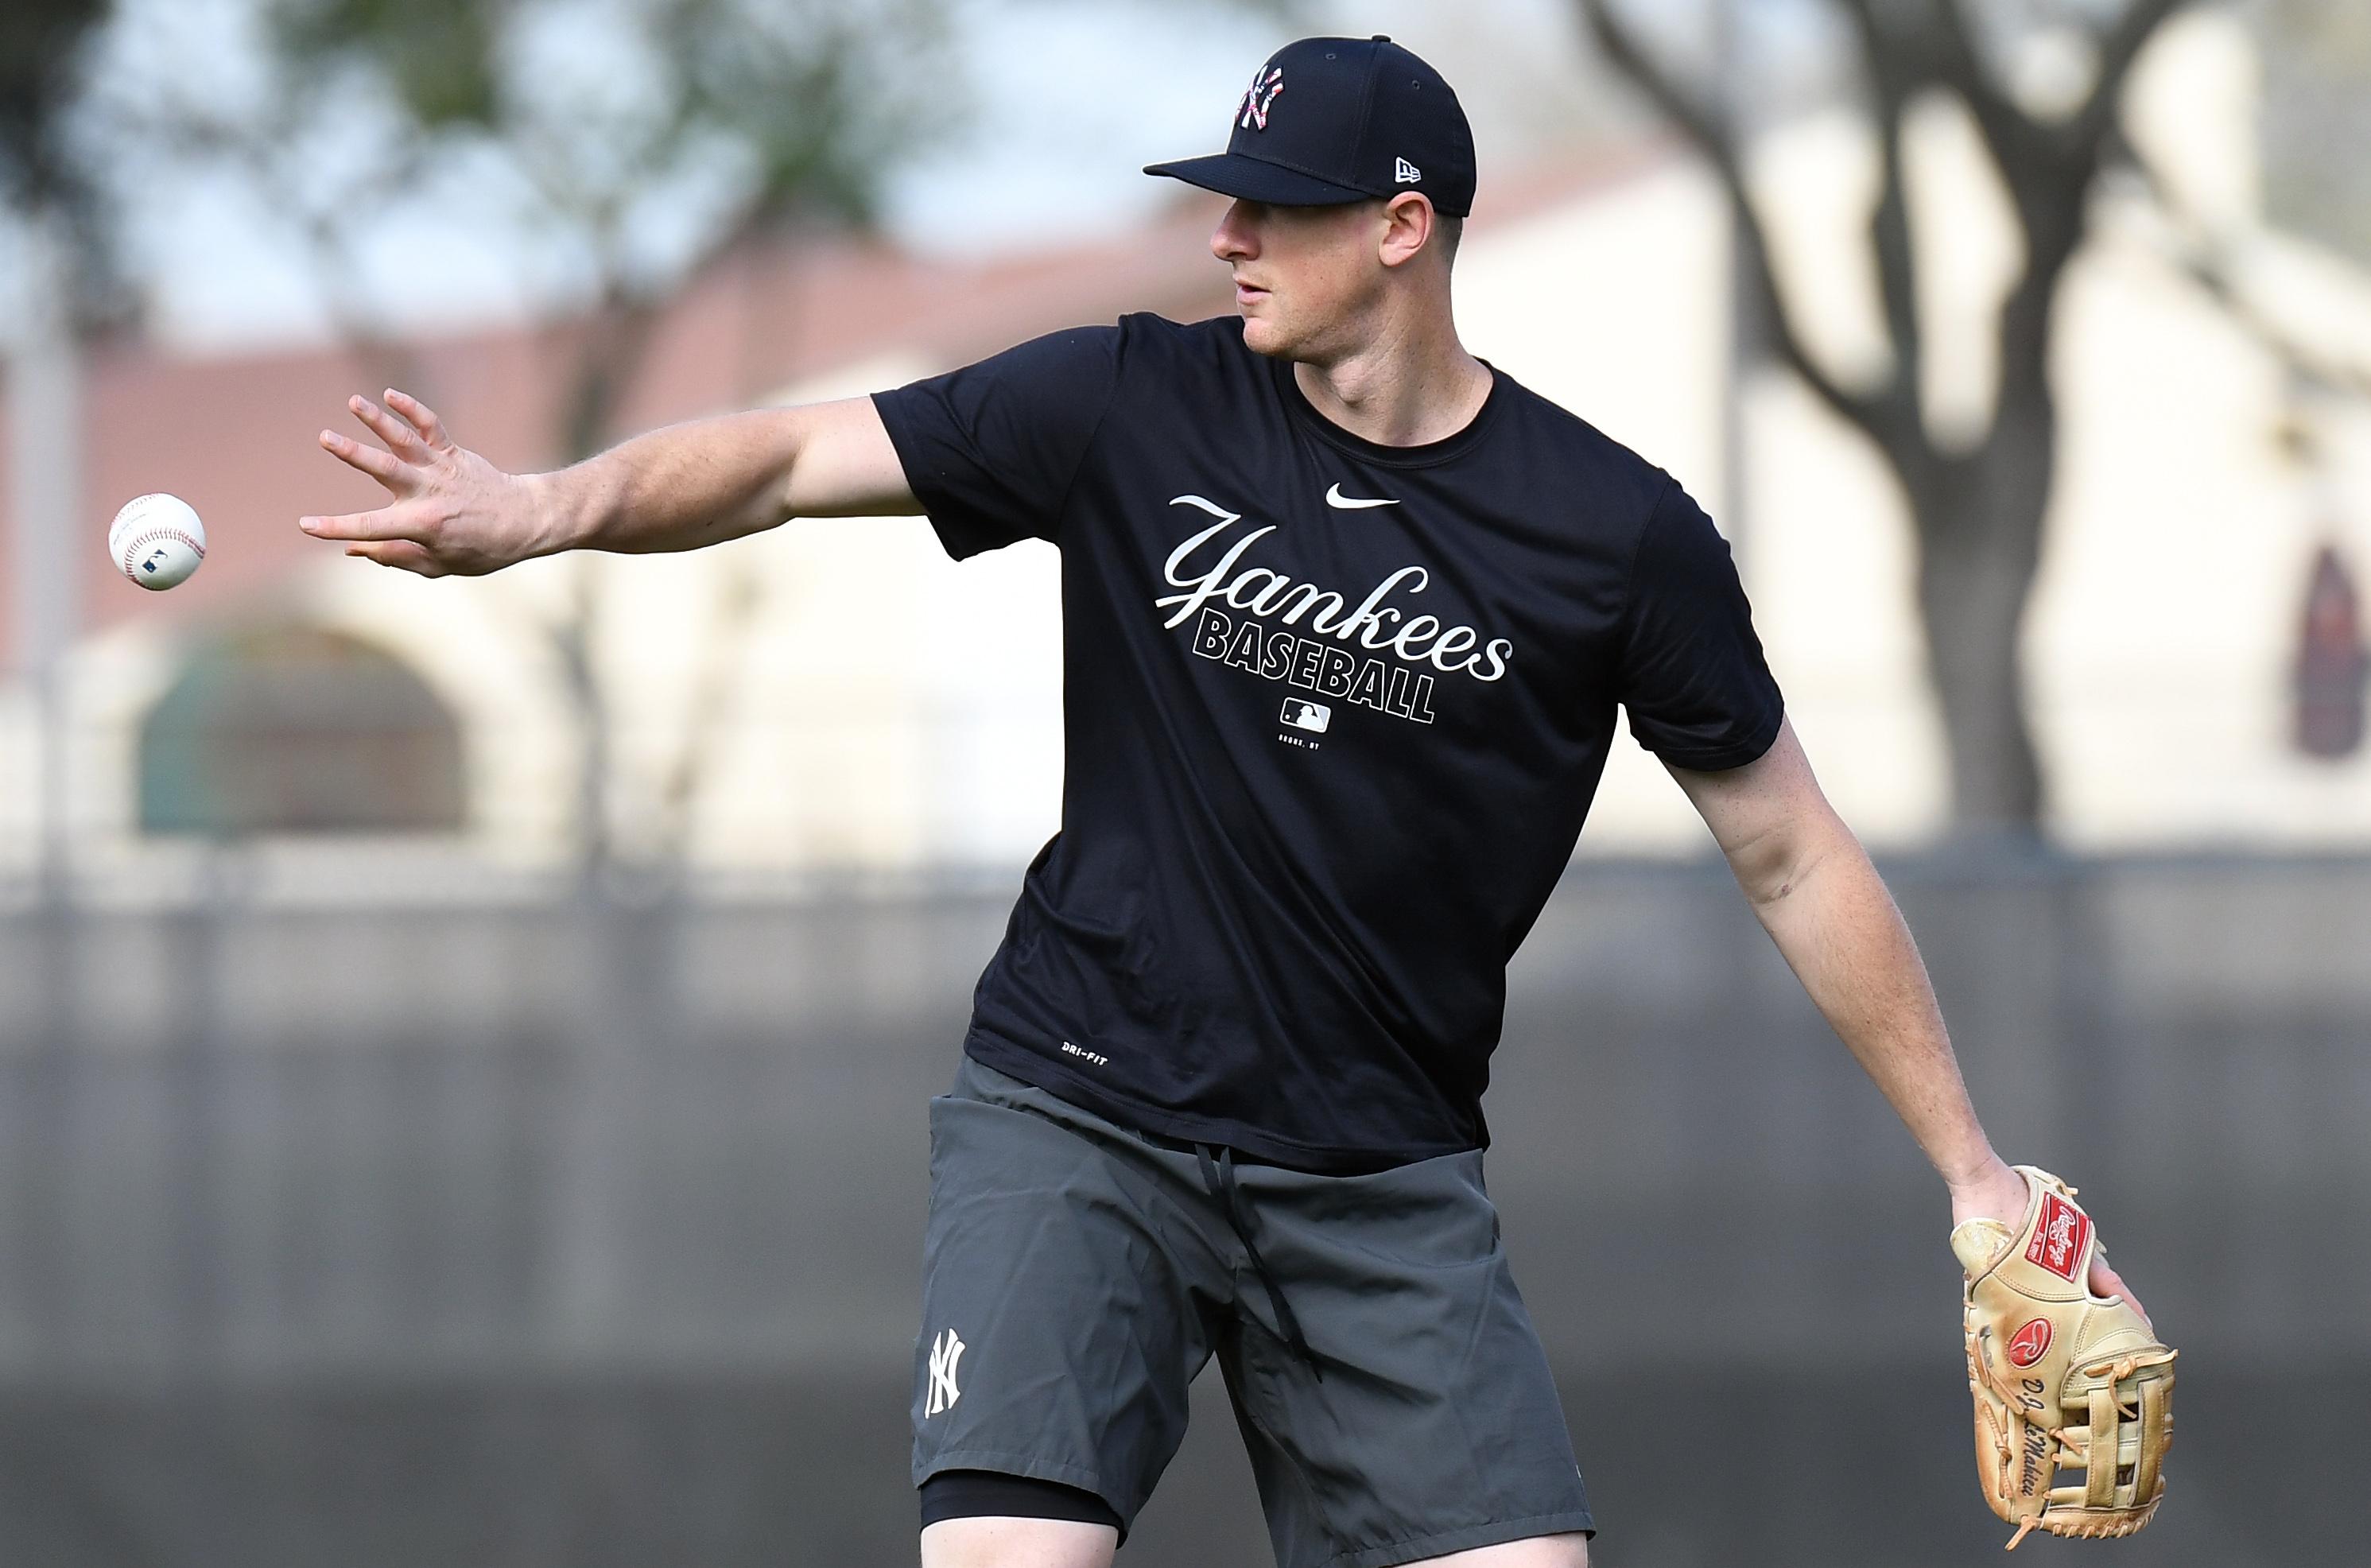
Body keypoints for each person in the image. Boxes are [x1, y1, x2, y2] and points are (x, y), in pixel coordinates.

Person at [300, 35, 2149, 1568]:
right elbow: (789, 454)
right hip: (1082, 1110)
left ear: (1406, 228)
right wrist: (544, 507)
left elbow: (1789, 844)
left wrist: (1974, 1169)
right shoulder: (1131, 402)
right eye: (1225, 194)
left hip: (1378, 1166)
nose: (1232, 230)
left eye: (1278, 203)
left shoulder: (1612, 536)